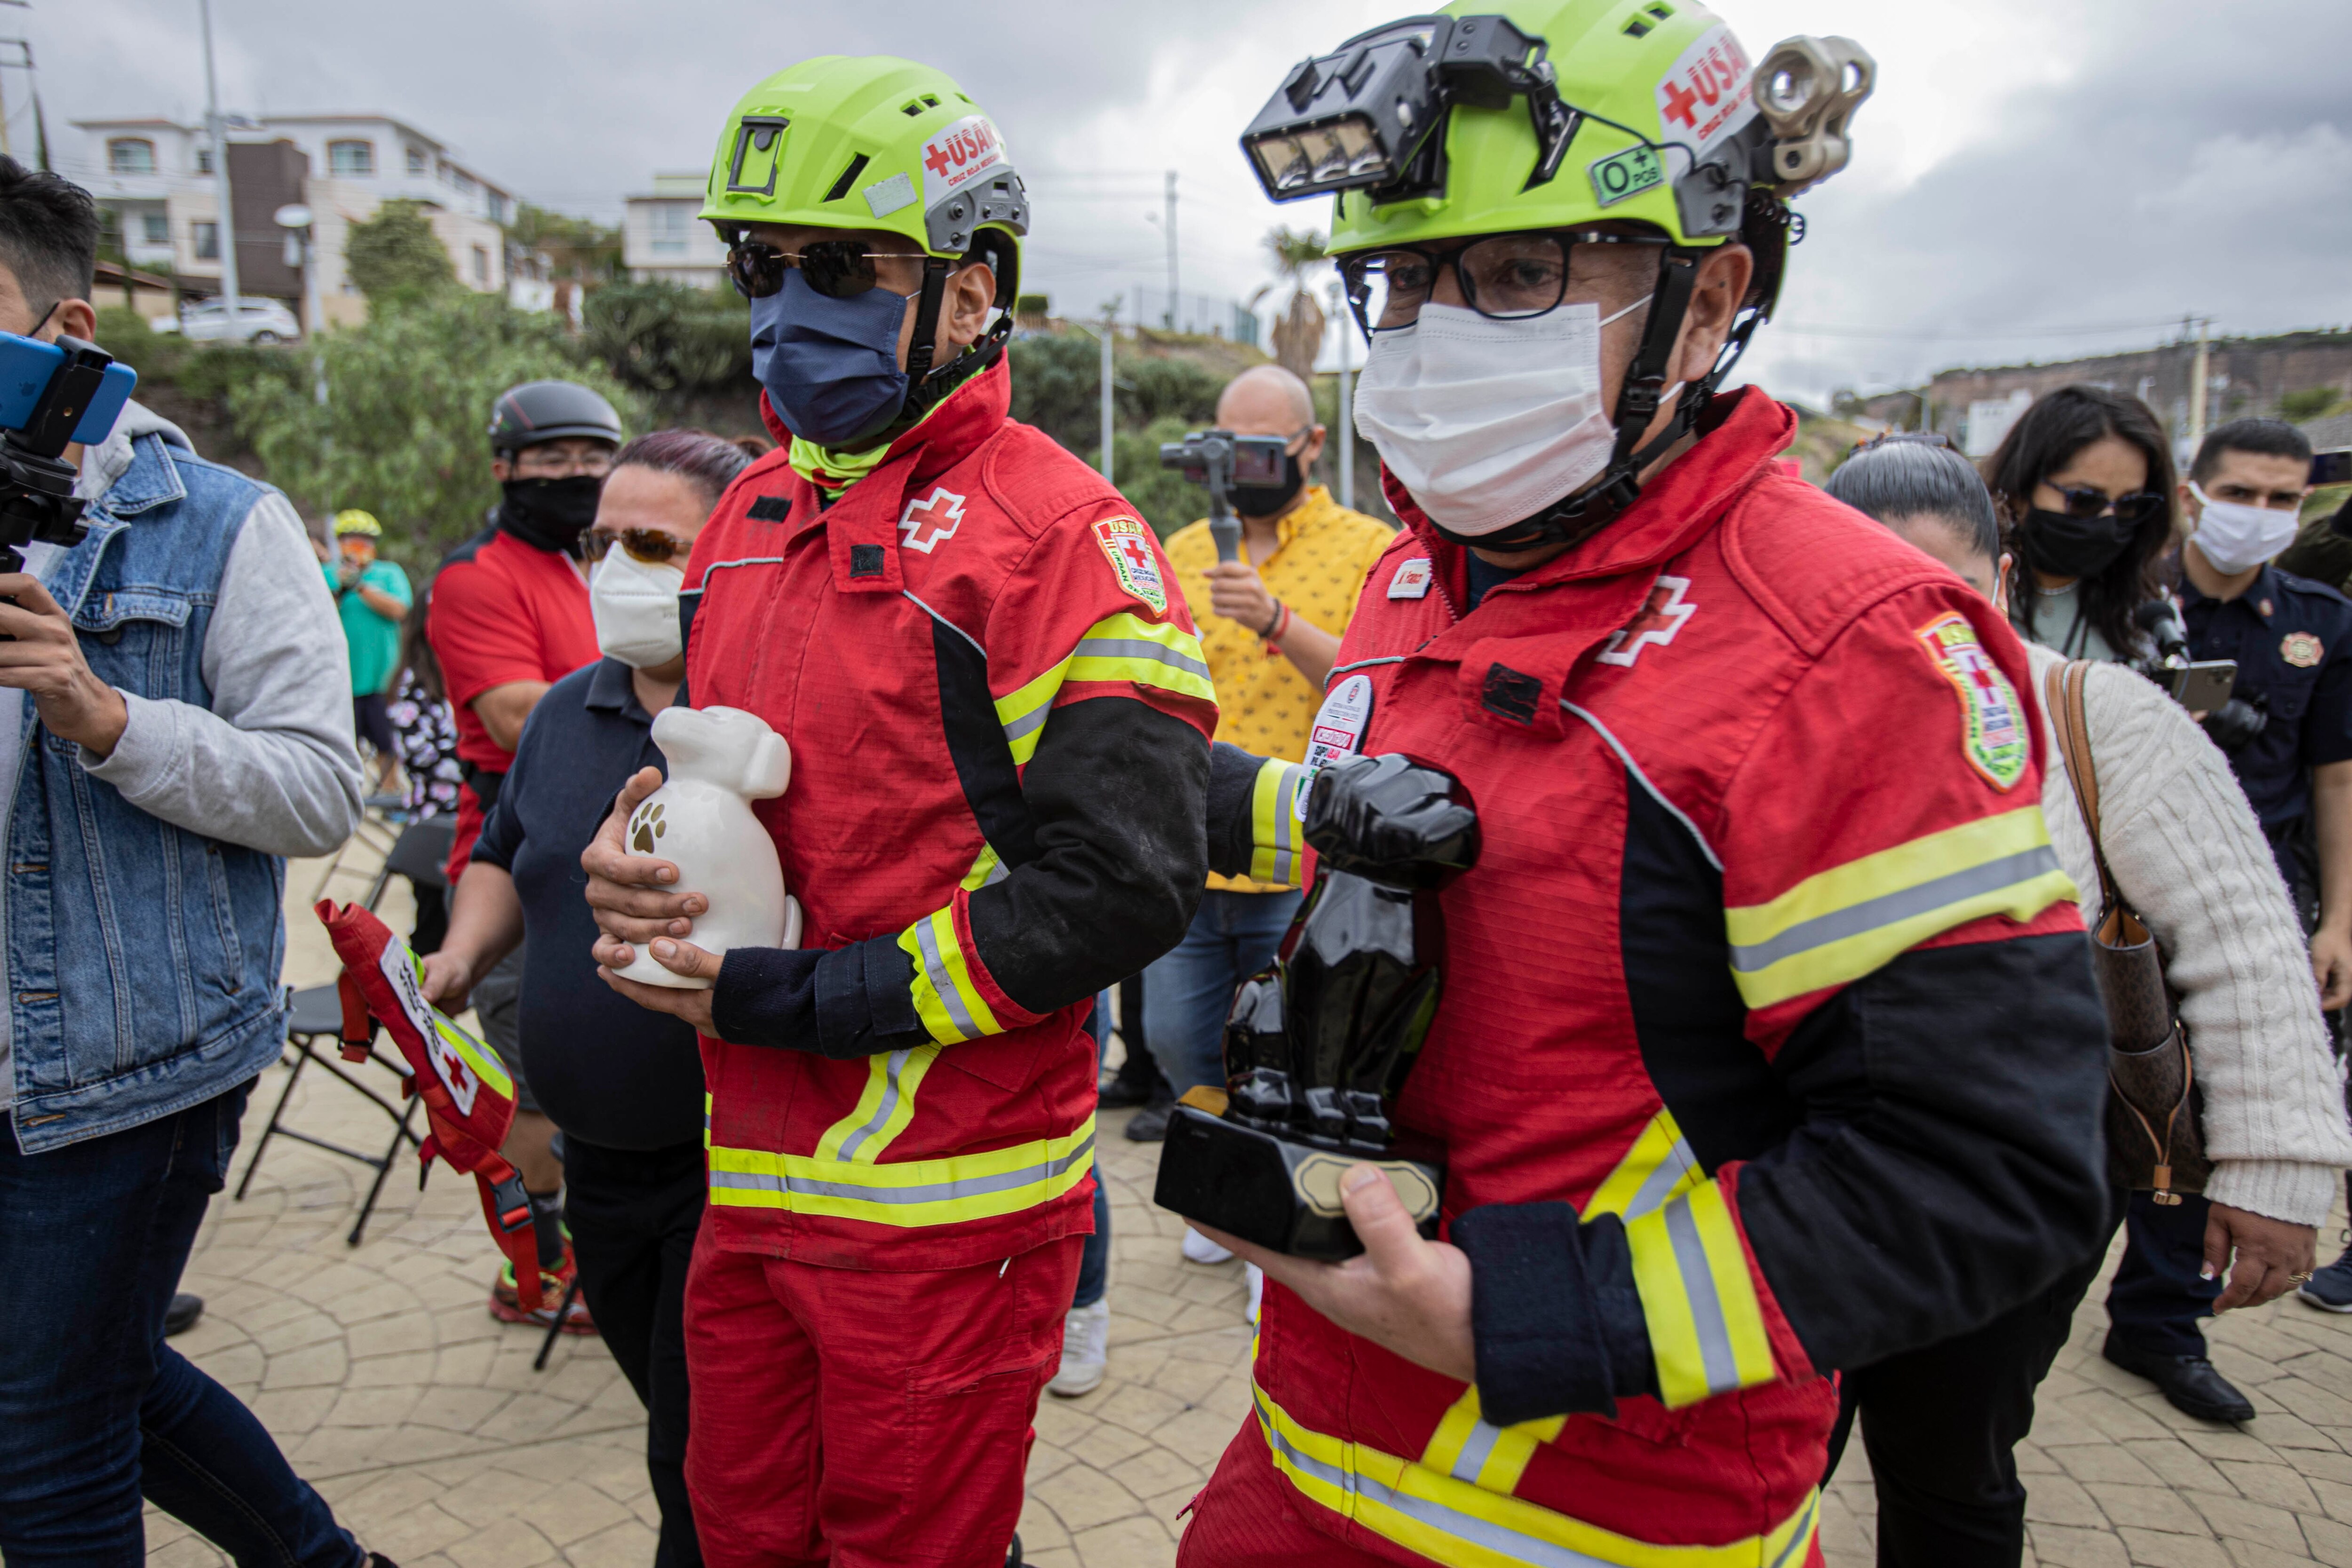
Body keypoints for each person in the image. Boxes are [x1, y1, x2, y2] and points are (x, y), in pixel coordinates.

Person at [1166, 8, 2114, 1566]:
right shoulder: (1416, 579)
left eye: (1523, 274)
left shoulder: (1848, 643)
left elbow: (1980, 1166)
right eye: (1401, 279)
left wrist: (1534, 1318)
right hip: (1301, 1462)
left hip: (1610, 1517)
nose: (1432, 330)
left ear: (1708, 297)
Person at [578, 56, 1216, 1568]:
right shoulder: (742, 517)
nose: (793, 303)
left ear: (972, 289)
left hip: (948, 1217)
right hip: (746, 1184)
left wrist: (811, 998)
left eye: (847, 267)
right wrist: (637, 850)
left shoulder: (1063, 536)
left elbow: (1120, 885)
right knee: (734, 1542)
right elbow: (736, 783)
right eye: (767, 265)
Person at [1818, 434, 2352, 1557]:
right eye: (1866, 593)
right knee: (1772, 1456)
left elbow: (2241, 936)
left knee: (1954, 1463)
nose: (1912, 632)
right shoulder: (1766, 719)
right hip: (1796, 1177)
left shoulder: (2095, 714)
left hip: (2016, 1192)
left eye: (1944, 592)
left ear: (1999, 579)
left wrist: (2278, 1171)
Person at [0, 158, 384, 1566]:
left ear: (69, 335)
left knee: (44, 1447)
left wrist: (102, 716)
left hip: (123, 1066)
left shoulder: (219, 521)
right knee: (89, 1384)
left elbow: (316, 788)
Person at [421, 429, 753, 1568]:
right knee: (675, 1424)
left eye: (652, 543)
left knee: (697, 1465)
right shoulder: (567, 711)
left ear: (733, 554)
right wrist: (460, 956)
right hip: (590, 1166)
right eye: (599, 541)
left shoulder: (762, 722)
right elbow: (506, 853)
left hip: (731, 1166)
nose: (615, 566)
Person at [1138, 365, 1393, 1323]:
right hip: (1187, 849)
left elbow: (1385, 686)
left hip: (1309, 855)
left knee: (1293, 1050)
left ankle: (1273, 1222)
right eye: (1224, 446)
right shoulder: (1175, 550)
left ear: (1310, 446)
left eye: (1260, 449)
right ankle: (1219, 1180)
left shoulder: (1372, 550)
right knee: (1173, 1031)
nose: (1240, 467)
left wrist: (1280, 622)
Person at [426, 377, 622, 1330]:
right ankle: (537, 1264)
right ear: (506, 468)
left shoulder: (601, 569)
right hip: (521, 864)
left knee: (602, 1069)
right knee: (540, 1091)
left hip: (614, 853)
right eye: (553, 460)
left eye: (594, 459)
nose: (576, 477)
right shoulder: (478, 578)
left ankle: (598, 1243)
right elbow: (514, 715)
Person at [2164, 419, 2352, 1313]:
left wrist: (2340, 921)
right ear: (2194, 491)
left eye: (2284, 500)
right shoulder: (2136, 602)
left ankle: (2164, 1323)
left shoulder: (2322, 622)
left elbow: (2336, 777)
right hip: (2135, 894)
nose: (2260, 514)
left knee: (2210, 1117)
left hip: (2261, 894)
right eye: (2241, 494)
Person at [1989, 384, 2178, 664]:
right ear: (2020, 493)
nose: (2108, 521)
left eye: (2129, 505)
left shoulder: (2148, 612)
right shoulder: (1974, 587)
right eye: (2085, 500)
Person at [324, 509, 413, 792]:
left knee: (387, 744)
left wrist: (360, 586)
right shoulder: (326, 575)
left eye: (365, 540)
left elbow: (400, 610)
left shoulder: (389, 574)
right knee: (338, 749)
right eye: (352, 540)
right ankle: (341, 802)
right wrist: (340, 588)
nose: (359, 546)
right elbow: (315, 617)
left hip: (382, 680)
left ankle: (391, 802)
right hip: (338, 681)